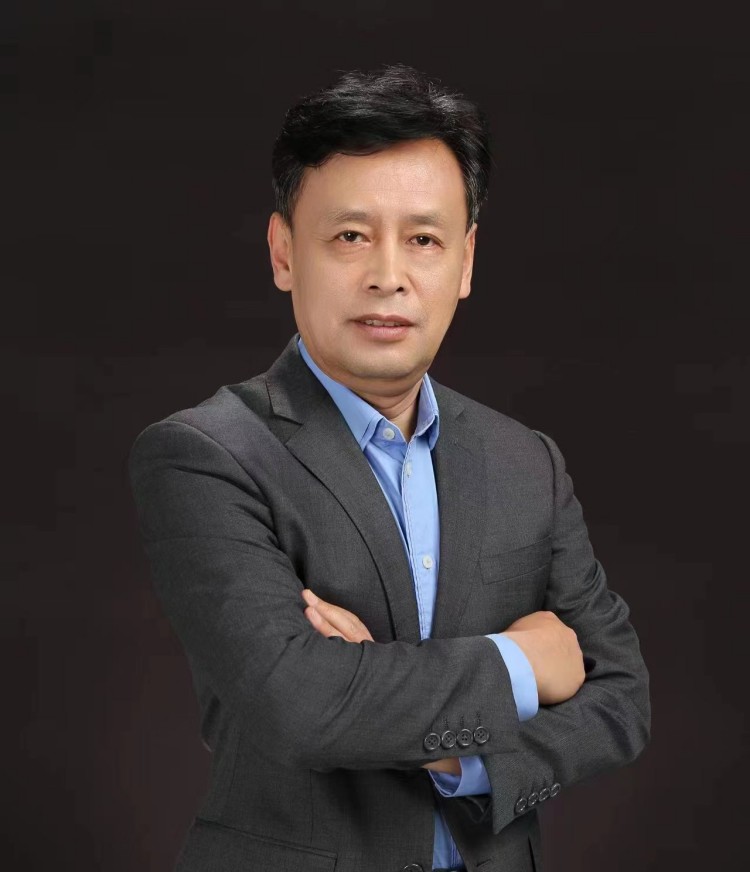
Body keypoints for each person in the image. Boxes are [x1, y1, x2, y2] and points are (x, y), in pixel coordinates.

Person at [128, 63, 650, 872]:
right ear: (283, 252)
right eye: (350, 236)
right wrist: (523, 664)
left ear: (465, 262)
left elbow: (622, 700)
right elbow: (300, 707)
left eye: (423, 239)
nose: (388, 275)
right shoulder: (204, 455)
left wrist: (464, 760)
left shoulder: (527, 461)